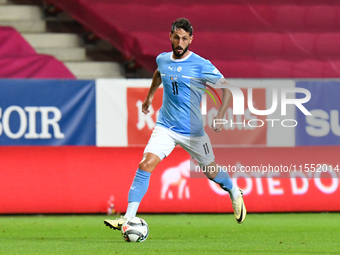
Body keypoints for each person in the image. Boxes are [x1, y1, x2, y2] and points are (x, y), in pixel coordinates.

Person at [104, 17, 246, 230]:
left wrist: (221, 114)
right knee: (145, 164)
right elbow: (159, 74)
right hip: (166, 127)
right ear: (170, 36)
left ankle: (234, 191)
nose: (180, 43)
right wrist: (150, 97)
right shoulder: (162, 59)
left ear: (191, 40)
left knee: (211, 171)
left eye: (185, 39)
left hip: (193, 132)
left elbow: (226, 88)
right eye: (177, 37)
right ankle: (127, 217)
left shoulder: (200, 64)